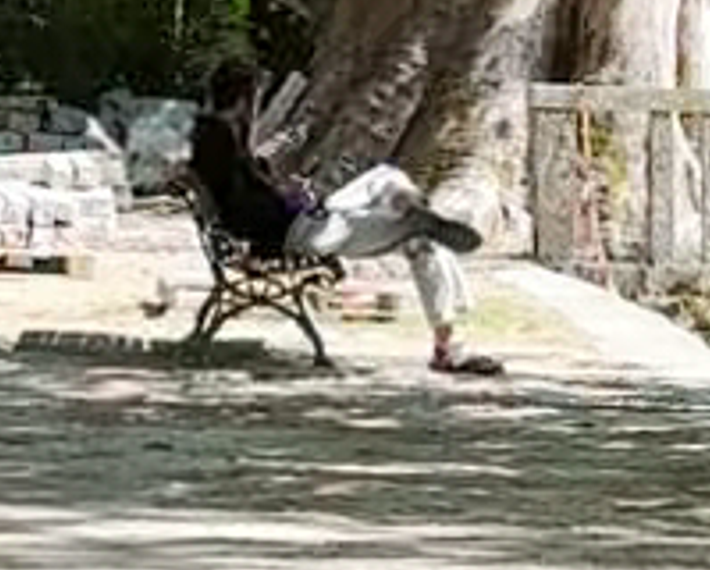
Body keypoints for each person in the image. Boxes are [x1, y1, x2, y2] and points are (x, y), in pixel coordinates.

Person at [187, 57, 500, 374]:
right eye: (257, 96)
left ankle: (410, 208)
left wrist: (291, 194)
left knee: (386, 177)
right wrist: (290, 200)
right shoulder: (219, 139)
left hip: (309, 220)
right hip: (302, 231)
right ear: (245, 99)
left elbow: (249, 195)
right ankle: (447, 343)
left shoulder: (220, 135)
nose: (258, 105)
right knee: (422, 238)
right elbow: (249, 210)